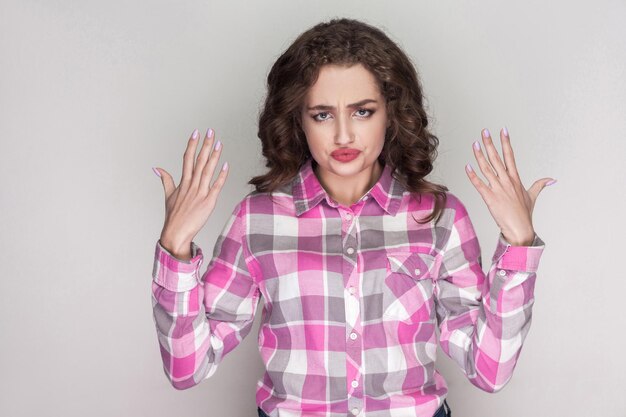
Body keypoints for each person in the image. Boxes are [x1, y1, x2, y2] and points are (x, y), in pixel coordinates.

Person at [150, 18, 551, 417]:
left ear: (391, 114)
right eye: (322, 115)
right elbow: (188, 369)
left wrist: (518, 246)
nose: (343, 135)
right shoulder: (256, 221)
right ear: (297, 120)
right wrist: (176, 249)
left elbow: (489, 371)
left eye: (362, 111)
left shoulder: (439, 219)